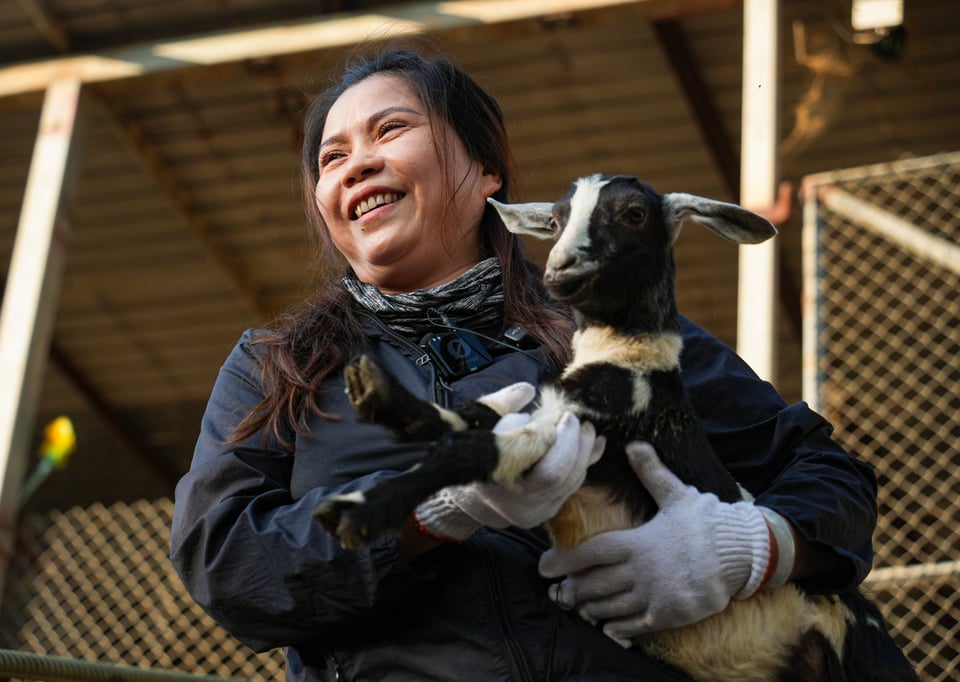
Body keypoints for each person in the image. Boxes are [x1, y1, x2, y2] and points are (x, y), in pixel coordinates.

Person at [169, 46, 887, 681]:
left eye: (391, 129)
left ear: (485, 172)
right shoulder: (277, 367)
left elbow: (828, 477)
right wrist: (435, 508)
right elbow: (229, 565)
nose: (357, 161)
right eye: (331, 158)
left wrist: (749, 546)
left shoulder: (619, 331)